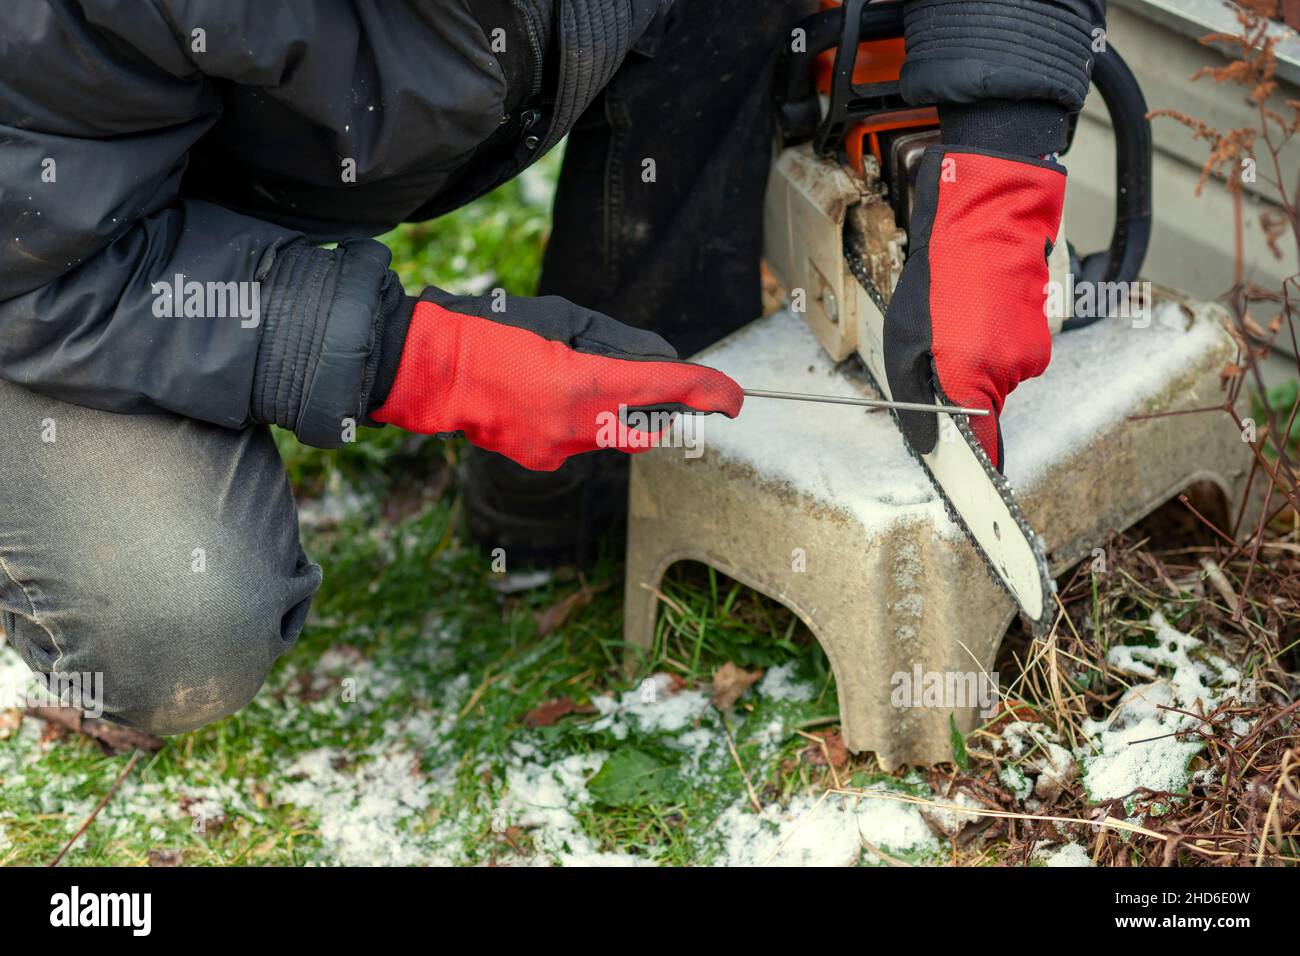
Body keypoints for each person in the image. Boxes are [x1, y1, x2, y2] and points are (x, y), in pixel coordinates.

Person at [0, 0, 1104, 734]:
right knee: (175, 615)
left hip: (355, 97)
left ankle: (570, 506)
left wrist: (1000, 148)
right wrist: (415, 360)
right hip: (42, 238)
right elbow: (32, 263)